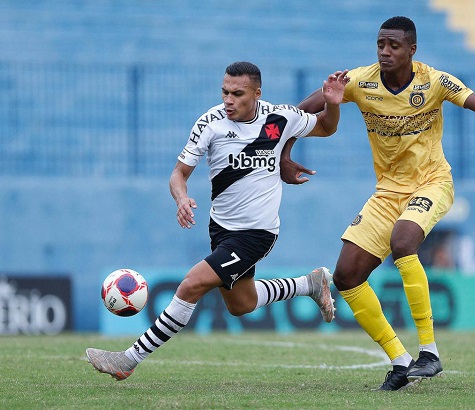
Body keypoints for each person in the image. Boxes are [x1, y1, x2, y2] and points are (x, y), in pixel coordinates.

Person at [280, 16, 475, 391]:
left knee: (403, 243)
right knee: (346, 276)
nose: (385, 52)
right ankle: (401, 362)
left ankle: (429, 353)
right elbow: (296, 115)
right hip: (387, 191)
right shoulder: (358, 80)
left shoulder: (435, 81)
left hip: (432, 183)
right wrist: (284, 151)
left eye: (394, 46)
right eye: (381, 44)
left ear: (412, 50)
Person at [86, 61, 350, 381]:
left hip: (257, 232)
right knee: (242, 303)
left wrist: (333, 106)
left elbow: (325, 126)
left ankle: (128, 360)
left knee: (191, 285)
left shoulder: (279, 119)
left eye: (237, 93)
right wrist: (181, 198)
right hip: (221, 228)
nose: (228, 99)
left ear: (256, 94)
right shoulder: (210, 123)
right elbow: (178, 174)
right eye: (224, 91)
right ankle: (309, 284)